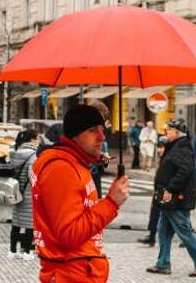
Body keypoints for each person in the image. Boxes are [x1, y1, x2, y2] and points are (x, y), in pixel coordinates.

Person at [31, 105, 130, 282]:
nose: (102, 137)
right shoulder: (61, 168)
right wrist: (111, 203)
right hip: (71, 273)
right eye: (93, 130)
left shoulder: (77, 164)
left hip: (80, 270)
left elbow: (82, 217)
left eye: (102, 129)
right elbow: (69, 234)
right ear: (75, 135)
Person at [146, 118, 196, 278]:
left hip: (176, 199)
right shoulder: (175, 146)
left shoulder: (182, 148)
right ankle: (163, 264)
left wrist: (170, 189)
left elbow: (185, 171)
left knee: (185, 232)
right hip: (168, 199)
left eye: (169, 130)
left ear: (177, 133)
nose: (166, 131)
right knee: (163, 231)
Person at [9, 129, 39, 260]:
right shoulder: (32, 157)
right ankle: (27, 252)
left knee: (16, 222)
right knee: (29, 225)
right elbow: (33, 178)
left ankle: (12, 251)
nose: (38, 141)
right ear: (32, 140)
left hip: (17, 193)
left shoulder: (17, 153)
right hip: (28, 194)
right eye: (37, 138)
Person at [138, 136, 168, 247]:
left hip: (165, 193)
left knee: (175, 219)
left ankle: (186, 238)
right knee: (154, 214)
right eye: (159, 147)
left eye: (162, 147)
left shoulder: (169, 160)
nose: (160, 150)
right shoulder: (161, 159)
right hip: (158, 192)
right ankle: (151, 237)